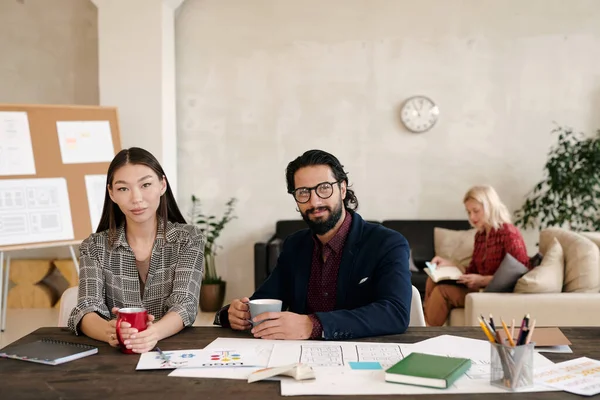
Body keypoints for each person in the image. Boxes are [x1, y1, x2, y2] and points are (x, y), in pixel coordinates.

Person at [214, 149, 412, 340]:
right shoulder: (294, 245)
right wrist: (235, 314)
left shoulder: (388, 243)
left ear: (342, 189)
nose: (314, 201)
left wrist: (313, 325)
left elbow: (395, 312)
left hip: (364, 356)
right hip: (298, 361)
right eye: (303, 192)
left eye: (324, 188)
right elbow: (265, 301)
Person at [67, 147, 205, 353]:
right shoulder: (94, 246)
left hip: (171, 351)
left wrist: (153, 333)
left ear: (162, 185)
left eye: (146, 184)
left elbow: (185, 304)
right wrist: (110, 330)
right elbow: (87, 307)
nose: (136, 198)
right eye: (123, 189)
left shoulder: (188, 239)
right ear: (112, 193)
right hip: (113, 356)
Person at [424, 185, 530, 326]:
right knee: (432, 280)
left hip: (495, 291)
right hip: (479, 287)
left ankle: (424, 330)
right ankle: (422, 322)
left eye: (476, 211)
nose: (472, 217)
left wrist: (483, 280)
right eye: (469, 212)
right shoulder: (480, 235)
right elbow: (473, 269)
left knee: (442, 292)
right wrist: (449, 265)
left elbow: (521, 272)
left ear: (490, 207)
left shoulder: (509, 233)